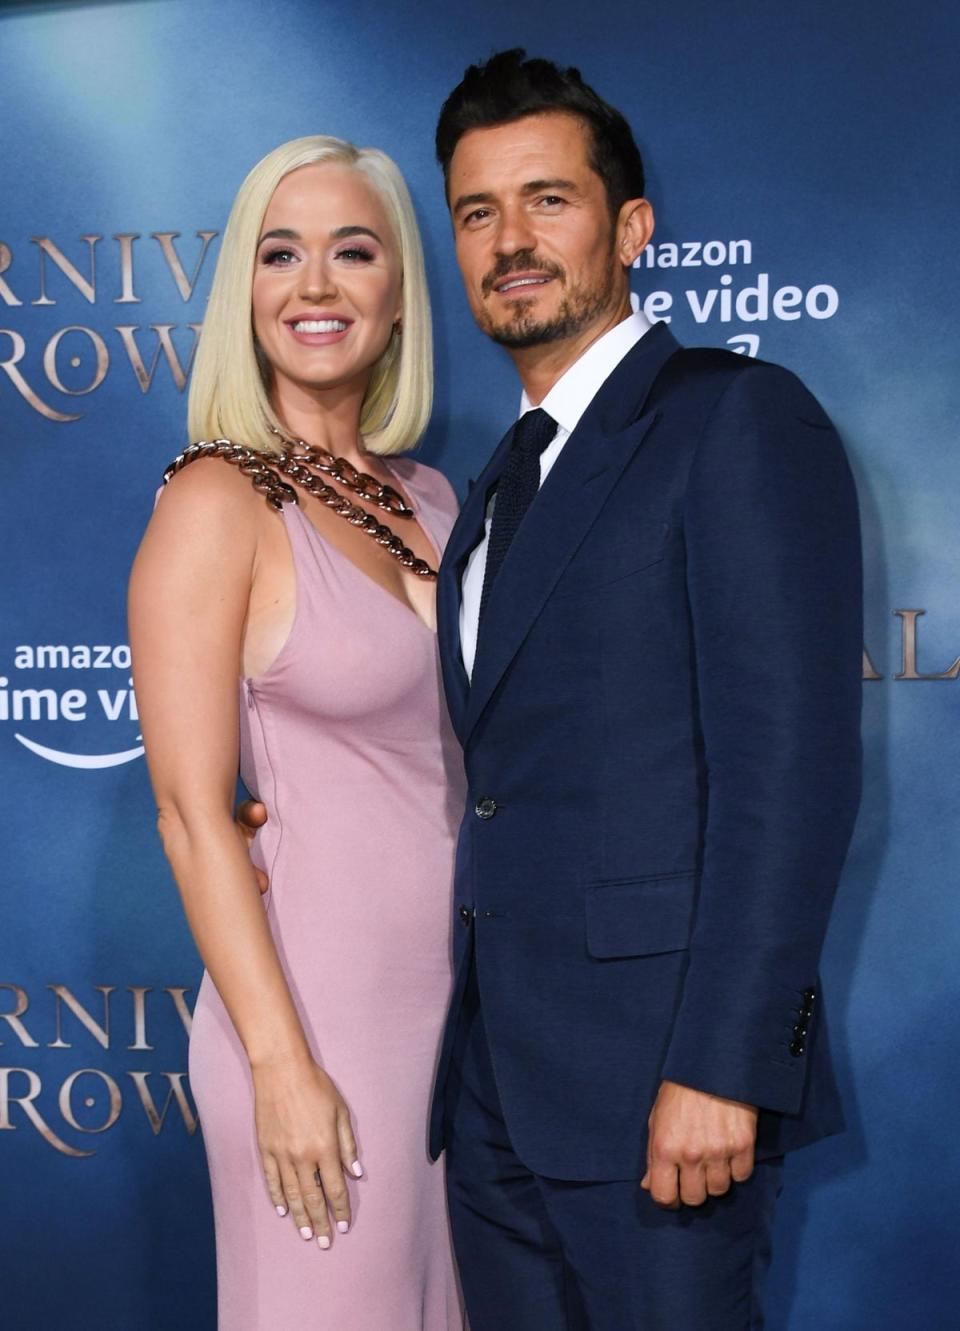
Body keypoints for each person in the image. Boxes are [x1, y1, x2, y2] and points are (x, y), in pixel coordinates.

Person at [425, 50, 863, 1330]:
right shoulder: (498, 479)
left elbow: (794, 773)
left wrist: (730, 1065)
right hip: (497, 1088)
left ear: (630, 228)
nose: (510, 240)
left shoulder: (736, 418)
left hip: (665, 1087)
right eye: (476, 211)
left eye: (547, 200)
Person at [128, 136, 465, 1330]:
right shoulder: (216, 499)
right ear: (246, 293)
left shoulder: (435, 498)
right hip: (318, 1026)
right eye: (282, 253)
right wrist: (282, 1066)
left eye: (352, 250)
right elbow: (188, 811)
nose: (316, 284)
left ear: (396, 296)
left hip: (465, 1032)